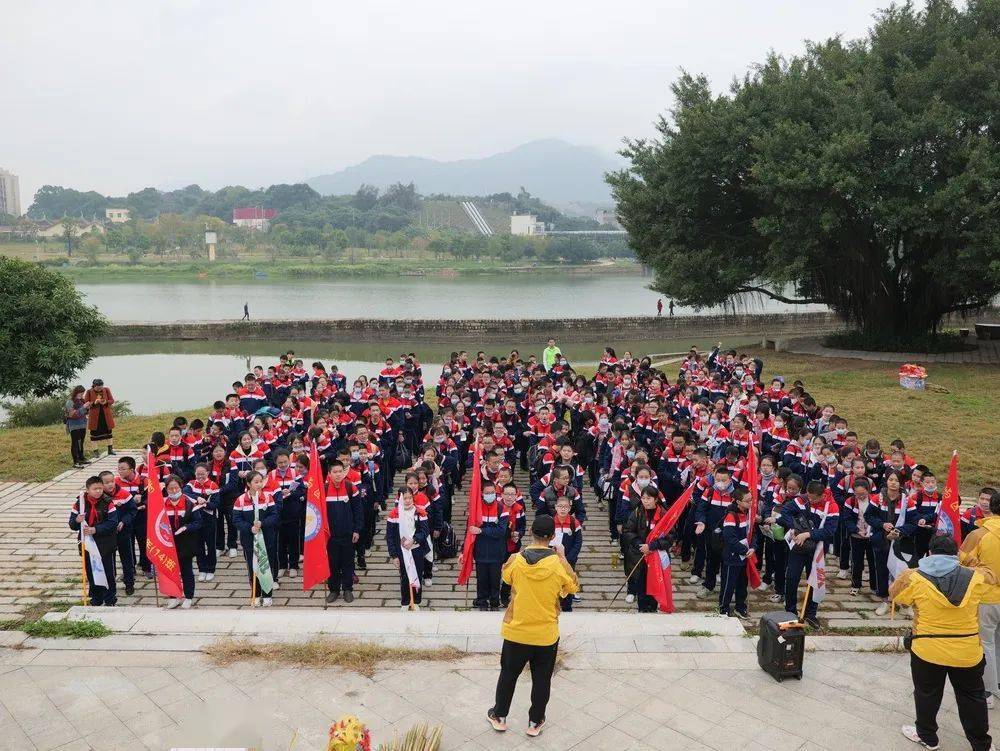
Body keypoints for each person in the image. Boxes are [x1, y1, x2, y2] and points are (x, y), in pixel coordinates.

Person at [893, 534, 994, 751]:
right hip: (967, 651)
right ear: (956, 554)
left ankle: (928, 737)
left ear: (929, 553)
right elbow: (991, 578)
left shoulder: (913, 577)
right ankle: (981, 745)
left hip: (927, 649)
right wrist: (971, 563)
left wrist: (910, 573)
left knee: (926, 694)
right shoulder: (975, 577)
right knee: (973, 697)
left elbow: (896, 594)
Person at [488, 515, 579, 738]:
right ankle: (535, 721)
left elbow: (506, 578)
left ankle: (499, 716)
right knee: (541, 679)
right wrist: (564, 558)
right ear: (553, 537)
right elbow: (574, 586)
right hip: (545, 634)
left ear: (531, 532)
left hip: (517, 630)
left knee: (508, 674)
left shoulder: (516, 560)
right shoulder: (558, 565)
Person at [960, 489, 1000, 708]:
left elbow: (963, 560)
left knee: (986, 642)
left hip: (988, 596)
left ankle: (987, 692)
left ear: (991, 507)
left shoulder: (979, 534)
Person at [68, 476, 119, 606]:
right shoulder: (79, 503)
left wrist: (95, 529)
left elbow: (112, 523)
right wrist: (77, 521)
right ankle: (96, 598)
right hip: (87, 543)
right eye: (95, 489)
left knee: (108, 572)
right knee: (91, 571)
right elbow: (72, 524)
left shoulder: (108, 502)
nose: (98, 491)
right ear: (87, 489)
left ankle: (110, 598)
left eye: (100, 488)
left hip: (105, 543)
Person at [386, 486, 429, 609]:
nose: (408, 501)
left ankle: (416, 601)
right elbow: (390, 537)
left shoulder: (419, 512)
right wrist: (394, 555)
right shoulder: (394, 514)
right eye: (405, 498)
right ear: (399, 499)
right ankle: (405, 602)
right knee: (404, 576)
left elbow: (424, 531)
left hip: (416, 549)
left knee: (417, 574)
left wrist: (414, 539)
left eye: (410, 498)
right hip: (402, 551)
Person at [84, 378, 116, 456]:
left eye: (101, 387)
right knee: (94, 434)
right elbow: (86, 404)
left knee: (109, 432)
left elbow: (112, 400)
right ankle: (96, 452)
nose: (100, 389)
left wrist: (105, 402)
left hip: (106, 415)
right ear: (94, 386)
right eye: (98, 387)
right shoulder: (89, 392)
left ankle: (110, 449)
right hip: (95, 417)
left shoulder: (106, 390)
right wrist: (94, 403)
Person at [64, 385, 89, 468]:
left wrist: (88, 408)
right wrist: (84, 407)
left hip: (82, 425)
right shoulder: (70, 402)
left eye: (83, 394)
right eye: (80, 393)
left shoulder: (82, 401)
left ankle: (81, 458)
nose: (81, 395)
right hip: (74, 426)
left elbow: (84, 412)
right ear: (76, 392)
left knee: (81, 442)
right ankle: (76, 462)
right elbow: (72, 415)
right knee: (75, 443)